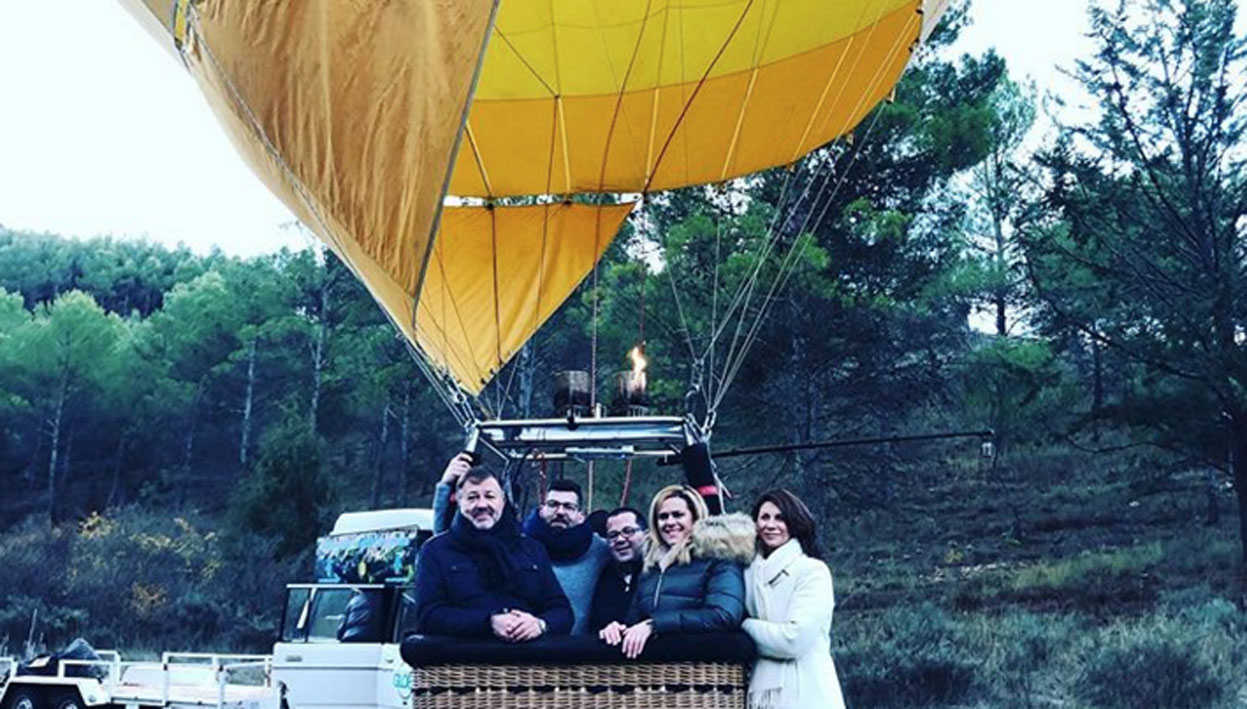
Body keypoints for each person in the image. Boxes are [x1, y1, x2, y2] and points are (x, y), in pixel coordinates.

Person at [434, 454, 611, 635]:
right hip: (510, 651)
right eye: (553, 504)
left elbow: (633, 554)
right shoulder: (518, 543)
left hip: (572, 649)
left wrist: (540, 624)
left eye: (568, 507)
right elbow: (451, 541)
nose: (560, 512)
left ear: (580, 514)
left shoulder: (599, 549)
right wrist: (445, 486)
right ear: (542, 508)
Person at [415, 465, 572, 641]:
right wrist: (488, 623)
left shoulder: (533, 549)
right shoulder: (435, 551)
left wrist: (540, 624)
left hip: (528, 664)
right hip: (462, 664)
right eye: (472, 497)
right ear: (459, 502)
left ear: (502, 501)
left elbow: (562, 611)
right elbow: (428, 616)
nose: (482, 504)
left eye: (490, 496)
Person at [599, 485, 754, 658]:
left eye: (678, 515)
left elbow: (723, 616)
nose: (670, 522)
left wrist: (655, 625)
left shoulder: (718, 557)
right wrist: (618, 629)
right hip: (655, 672)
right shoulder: (651, 566)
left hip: (703, 670)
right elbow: (635, 620)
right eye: (663, 517)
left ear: (695, 517)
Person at [741, 489, 845, 709]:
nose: (770, 525)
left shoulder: (812, 571)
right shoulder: (747, 572)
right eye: (764, 517)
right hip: (761, 696)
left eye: (780, 518)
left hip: (807, 693)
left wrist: (746, 626)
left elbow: (793, 640)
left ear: (794, 522)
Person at [587, 506, 647, 631]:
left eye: (628, 531)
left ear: (646, 534)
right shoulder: (604, 575)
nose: (619, 539)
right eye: (613, 535)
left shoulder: (661, 574)